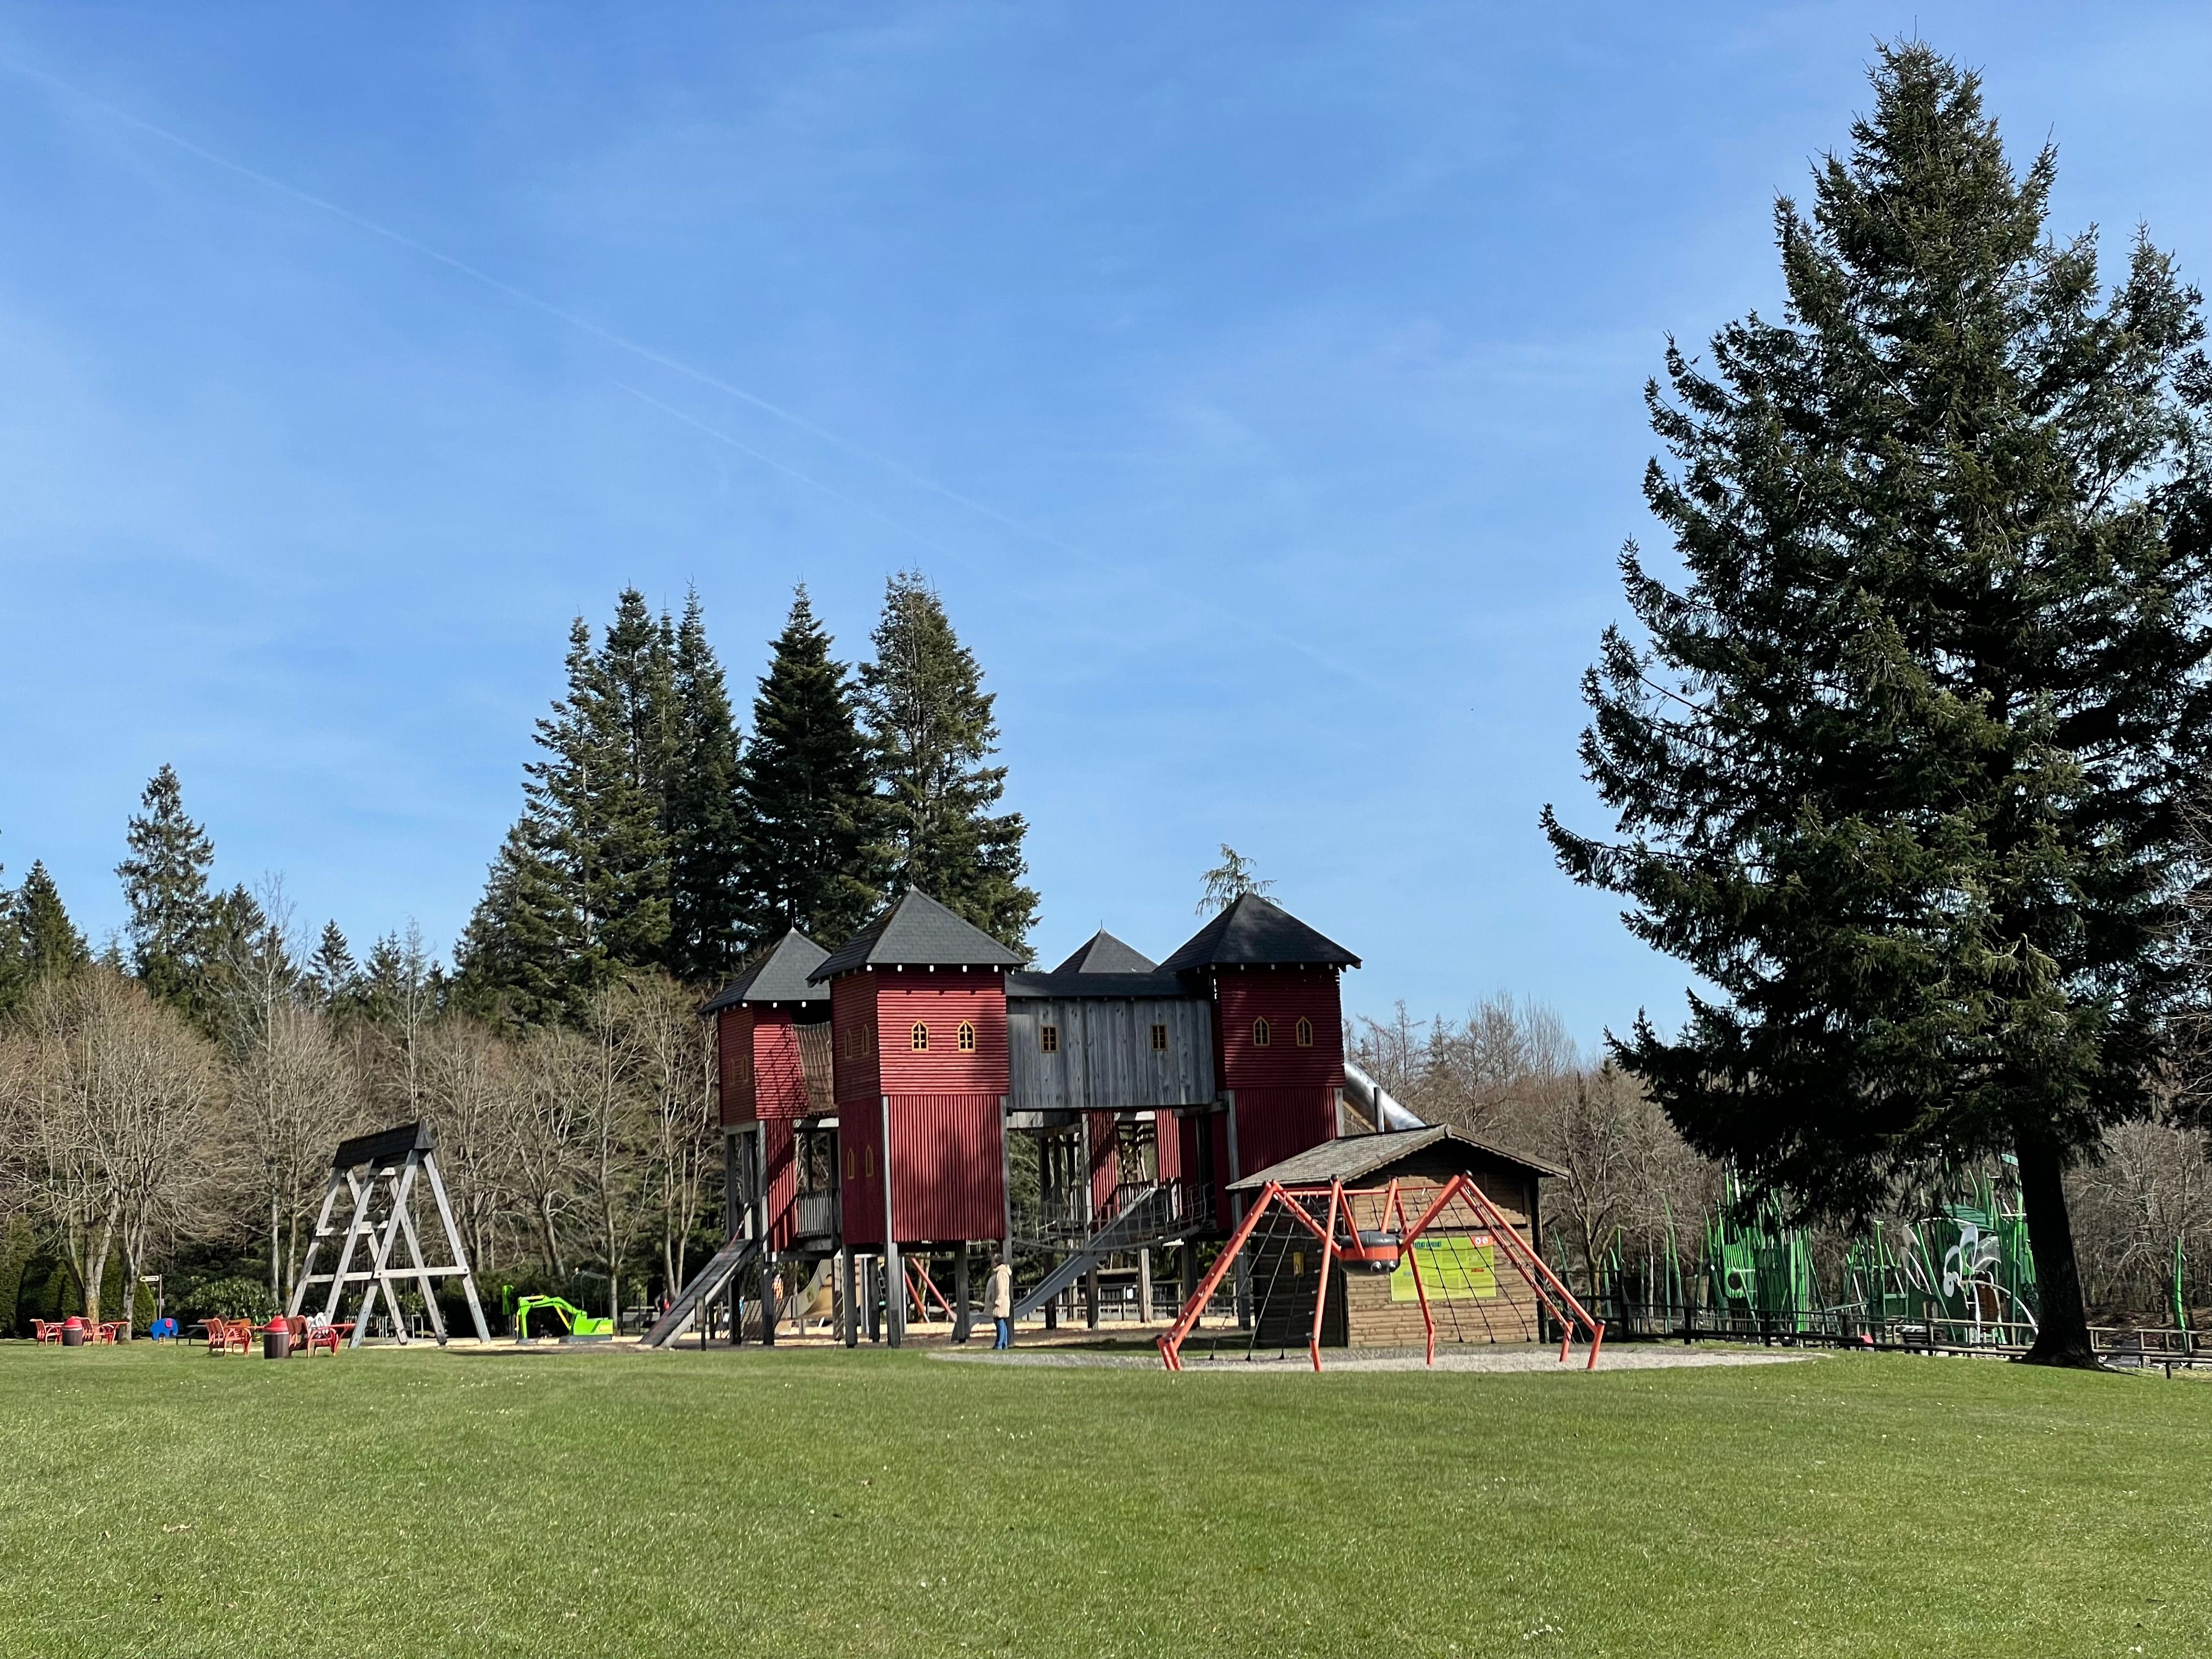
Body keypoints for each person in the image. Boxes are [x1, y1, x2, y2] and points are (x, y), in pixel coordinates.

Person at [988, 1255, 1014, 1350]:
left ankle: (999, 1344)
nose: (992, 1263)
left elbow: (1001, 1289)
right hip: (1004, 1301)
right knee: (1002, 1322)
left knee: (999, 1322)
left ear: (997, 1262)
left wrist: (998, 1301)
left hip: (1001, 1301)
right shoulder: (1003, 1272)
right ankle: (1004, 1344)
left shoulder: (1001, 1274)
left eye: (993, 1261)